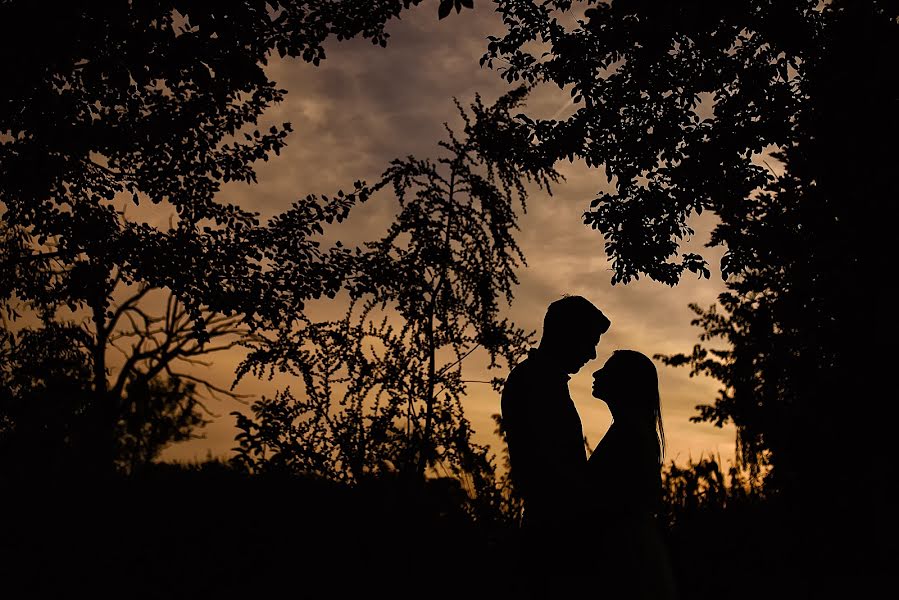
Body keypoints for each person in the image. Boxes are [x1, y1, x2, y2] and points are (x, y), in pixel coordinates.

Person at [501, 295, 611, 597]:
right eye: (588, 341)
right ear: (567, 335)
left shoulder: (541, 381)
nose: (591, 355)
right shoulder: (536, 384)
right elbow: (551, 467)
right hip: (554, 534)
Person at [587, 350, 678, 599]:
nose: (596, 373)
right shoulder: (633, 430)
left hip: (628, 560)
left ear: (624, 382)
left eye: (607, 370)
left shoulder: (629, 433)